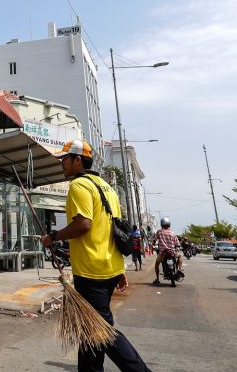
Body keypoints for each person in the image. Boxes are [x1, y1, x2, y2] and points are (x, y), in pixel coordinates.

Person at [41, 140, 151, 372]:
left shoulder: (79, 186)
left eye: (65, 159)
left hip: (92, 271)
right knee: (89, 329)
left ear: (78, 161)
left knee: (102, 329)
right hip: (109, 267)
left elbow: (84, 224)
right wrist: (119, 270)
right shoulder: (106, 187)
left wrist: (54, 236)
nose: (62, 163)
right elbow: (112, 229)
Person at [152, 217, 182, 285]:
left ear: (162, 224)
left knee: (157, 264)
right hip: (172, 252)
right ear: (169, 224)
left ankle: (157, 279)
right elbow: (178, 244)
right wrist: (177, 248)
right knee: (180, 257)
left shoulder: (159, 232)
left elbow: (154, 240)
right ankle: (179, 270)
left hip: (163, 253)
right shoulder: (173, 233)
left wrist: (153, 246)